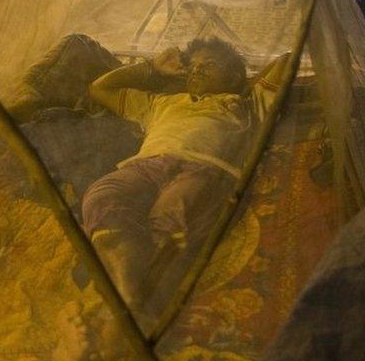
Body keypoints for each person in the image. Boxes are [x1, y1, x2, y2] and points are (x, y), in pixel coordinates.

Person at [79, 37, 289, 329]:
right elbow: (100, 88)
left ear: (233, 77)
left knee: (173, 215)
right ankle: (130, 296)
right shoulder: (161, 102)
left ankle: (135, 301)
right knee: (100, 196)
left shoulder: (246, 103)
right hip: (147, 166)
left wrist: (247, 81)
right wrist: (153, 68)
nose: (196, 71)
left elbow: (287, 61)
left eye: (209, 66)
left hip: (204, 169)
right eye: (192, 66)